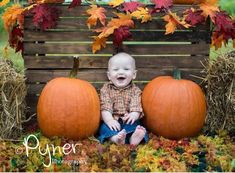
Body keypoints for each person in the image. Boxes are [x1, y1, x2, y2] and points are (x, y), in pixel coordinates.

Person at [98, 52, 148, 145]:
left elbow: (136, 105)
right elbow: (105, 107)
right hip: (113, 119)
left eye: (126, 69)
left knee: (135, 126)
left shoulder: (135, 90)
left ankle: (134, 138)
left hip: (128, 119)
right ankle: (116, 138)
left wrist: (133, 114)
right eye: (116, 69)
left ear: (134, 74)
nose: (121, 72)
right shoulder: (105, 90)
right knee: (104, 128)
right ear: (109, 76)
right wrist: (109, 120)